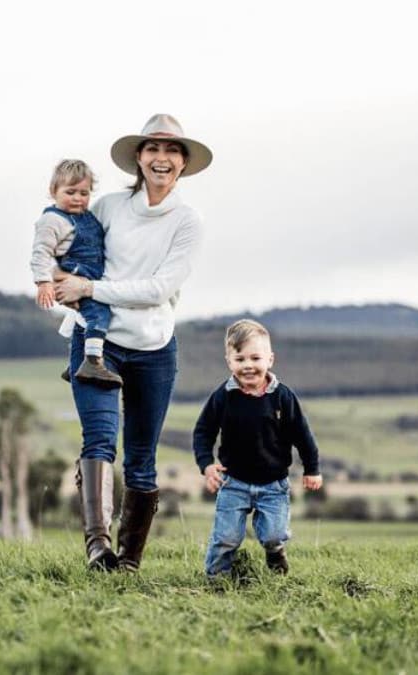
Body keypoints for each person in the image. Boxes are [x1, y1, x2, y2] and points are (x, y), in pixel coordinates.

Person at [54, 113, 212, 571]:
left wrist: (92, 290)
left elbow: (159, 289)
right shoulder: (106, 207)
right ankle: (98, 546)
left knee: (141, 457)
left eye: (171, 152)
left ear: (182, 163)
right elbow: (72, 250)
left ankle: (129, 559)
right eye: (153, 149)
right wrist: (62, 279)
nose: (161, 159)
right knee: (99, 439)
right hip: (94, 340)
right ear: (138, 158)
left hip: (153, 347)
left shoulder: (187, 222)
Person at [193, 319, 324, 578]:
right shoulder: (223, 396)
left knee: (274, 534)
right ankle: (217, 579)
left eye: (256, 358)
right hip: (233, 482)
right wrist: (206, 464)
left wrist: (312, 469)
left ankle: (275, 551)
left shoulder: (283, 397)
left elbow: (303, 435)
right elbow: (203, 431)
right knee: (226, 537)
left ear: (270, 359)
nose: (248, 365)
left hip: (274, 484)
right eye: (240, 359)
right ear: (229, 361)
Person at [29, 159, 123, 388]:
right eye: (70, 192)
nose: (78, 198)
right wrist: (43, 282)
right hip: (77, 275)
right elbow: (41, 252)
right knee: (98, 315)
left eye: (84, 193)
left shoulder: (85, 216)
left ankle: (74, 365)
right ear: (53, 191)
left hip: (91, 275)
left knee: (86, 317)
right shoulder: (52, 220)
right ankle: (92, 362)